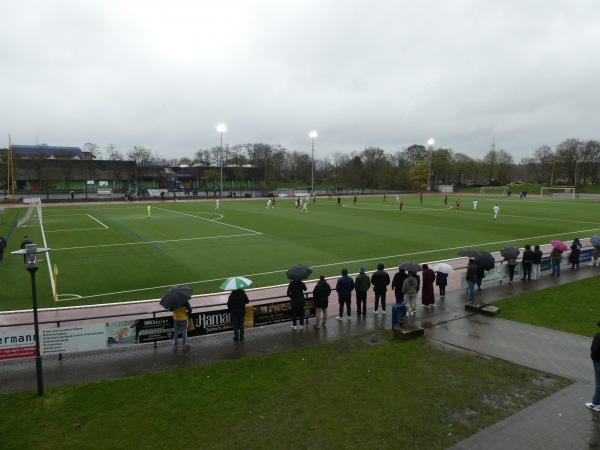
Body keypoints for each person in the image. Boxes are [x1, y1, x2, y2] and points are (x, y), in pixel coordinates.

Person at [586, 321, 600, 411]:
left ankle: (596, 403)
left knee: (599, 382)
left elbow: (594, 350)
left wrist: (593, 357)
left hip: (599, 361)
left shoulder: (599, 336)